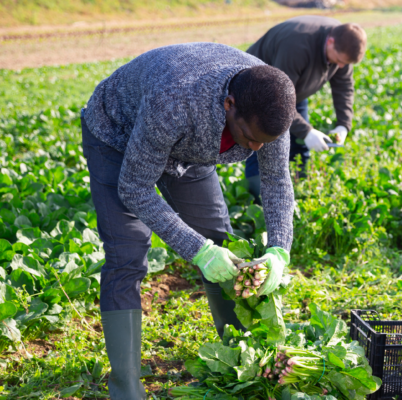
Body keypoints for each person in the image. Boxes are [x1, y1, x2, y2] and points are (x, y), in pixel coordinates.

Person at [81, 42, 296, 399]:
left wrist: (279, 250)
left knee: (219, 239)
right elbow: (135, 188)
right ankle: (126, 387)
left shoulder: (270, 107)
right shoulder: (175, 102)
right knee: (127, 254)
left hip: (186, 146)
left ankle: (236, 359)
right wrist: (197, 250)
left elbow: (276, 181)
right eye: (250, 139)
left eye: (265, 142)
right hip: (117, 137)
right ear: (230, 104)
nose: (256, 149)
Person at [243, 16, 367, 201]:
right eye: (339, 60)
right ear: (331, 42)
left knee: (299, 148)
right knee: (262, 145)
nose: (341, 67)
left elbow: (344, 87)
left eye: (345, 64)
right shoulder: (296, 46)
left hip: (293, 90)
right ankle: (256, 203)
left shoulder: (343, 45)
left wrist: (343, 124)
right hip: (259, 90)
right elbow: (276, 100)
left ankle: (297, 192)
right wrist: (307, 131)